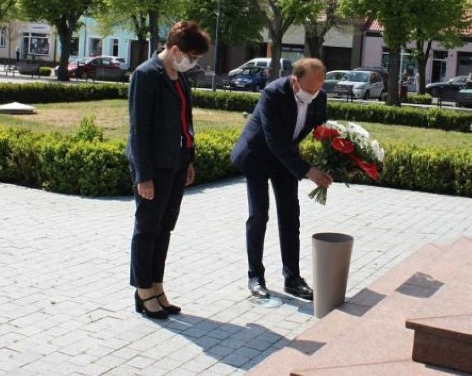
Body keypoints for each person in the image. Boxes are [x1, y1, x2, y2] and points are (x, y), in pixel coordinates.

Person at [231, 58, 333, 300]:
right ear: (295, 81)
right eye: (310, 88)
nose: (314, 93)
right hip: (257, 155)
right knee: (259, 215)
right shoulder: (273, 93)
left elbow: (323, 130)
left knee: (290, 216)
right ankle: (255, 276)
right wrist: (308, 171)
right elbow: (273, 140)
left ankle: (293, 278)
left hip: (285, 160)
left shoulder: (319, 97)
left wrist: (337, 157)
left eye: (318, 87)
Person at [127, 21, 210, 319]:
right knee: (147, 228)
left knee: (165, 227)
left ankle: (157, 286)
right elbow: (139, 129)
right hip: (154, 167)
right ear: (174, 50)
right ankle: (142, 289)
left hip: (176, 163)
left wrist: (188, 159)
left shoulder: (179, 76)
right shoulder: (146, 75)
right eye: (192, 56)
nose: (194, 62)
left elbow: (185, 120)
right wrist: (143, 175)